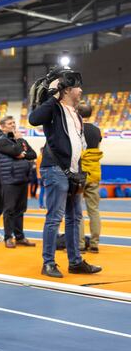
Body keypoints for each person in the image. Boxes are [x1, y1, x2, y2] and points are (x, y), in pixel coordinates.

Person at [28, 67, 101, 278]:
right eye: (77, 87)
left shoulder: (75, 113)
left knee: (75, 218)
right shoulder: (54, 108)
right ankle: (48, 263)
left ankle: (75, 262)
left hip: (73, 171)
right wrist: (53, 95)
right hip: (55, 169)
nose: (81, 91)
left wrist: (80, 171)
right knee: (54, 218)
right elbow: (34, 119)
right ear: (67, 89)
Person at [0, 117, 36, 248]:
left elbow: (33, 154)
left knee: (20, 210)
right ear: (3, 127)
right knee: (10, 210)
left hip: (23, 178)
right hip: (9, 180)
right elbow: (17, 151)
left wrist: (22, 153)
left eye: (14, 123)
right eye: (9, 123)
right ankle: (8, 237)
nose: (13, 125)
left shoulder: (18, 140)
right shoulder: (2, 141)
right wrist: (20, 143)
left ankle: (20, 237)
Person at [78, 102, 102, 253]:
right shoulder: (97, 130)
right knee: (94, 210)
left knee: (77, 211)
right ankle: (94, 244)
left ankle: (80, 244)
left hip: (79, 172)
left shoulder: (76, 128)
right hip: (94, 172)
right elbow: (97, 149)